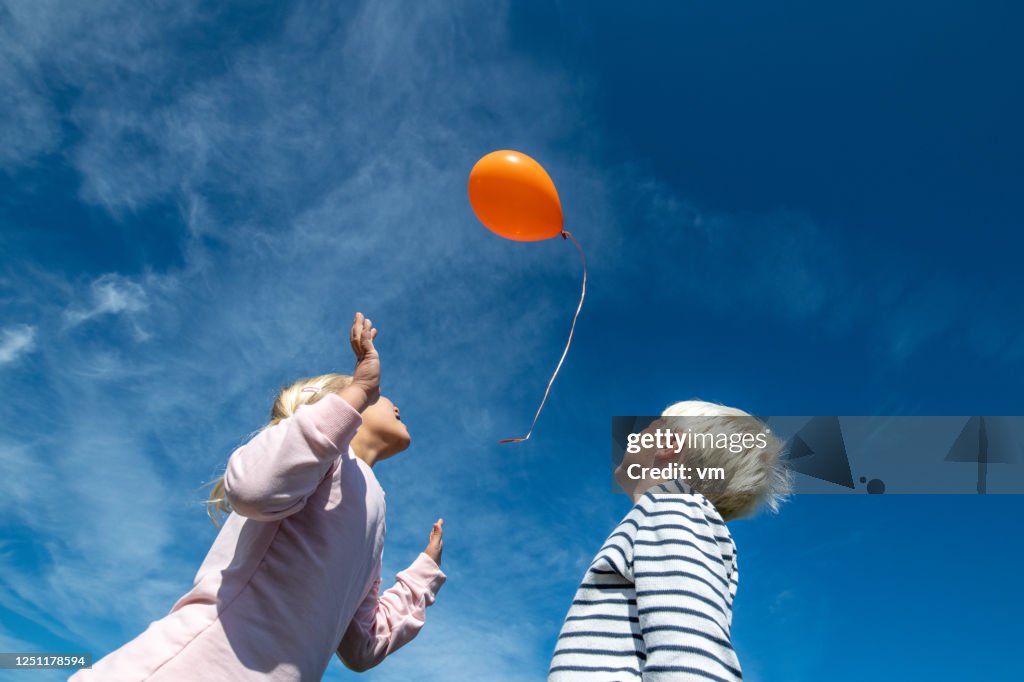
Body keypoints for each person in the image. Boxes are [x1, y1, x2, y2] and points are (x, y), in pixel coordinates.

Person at [72, 313, 445, 681]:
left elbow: (362, 644)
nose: (394, 403)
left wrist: (423, 574)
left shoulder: (374, 509)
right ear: (336, 404)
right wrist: (360, 389)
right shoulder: (314, 458)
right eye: (378, 395)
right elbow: (253, 489)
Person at [548, 401, 791, 681]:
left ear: (667, 445)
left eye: (649, 427)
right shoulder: (668, 515)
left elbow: (690, 649)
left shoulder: (674, 509)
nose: (634, 435)